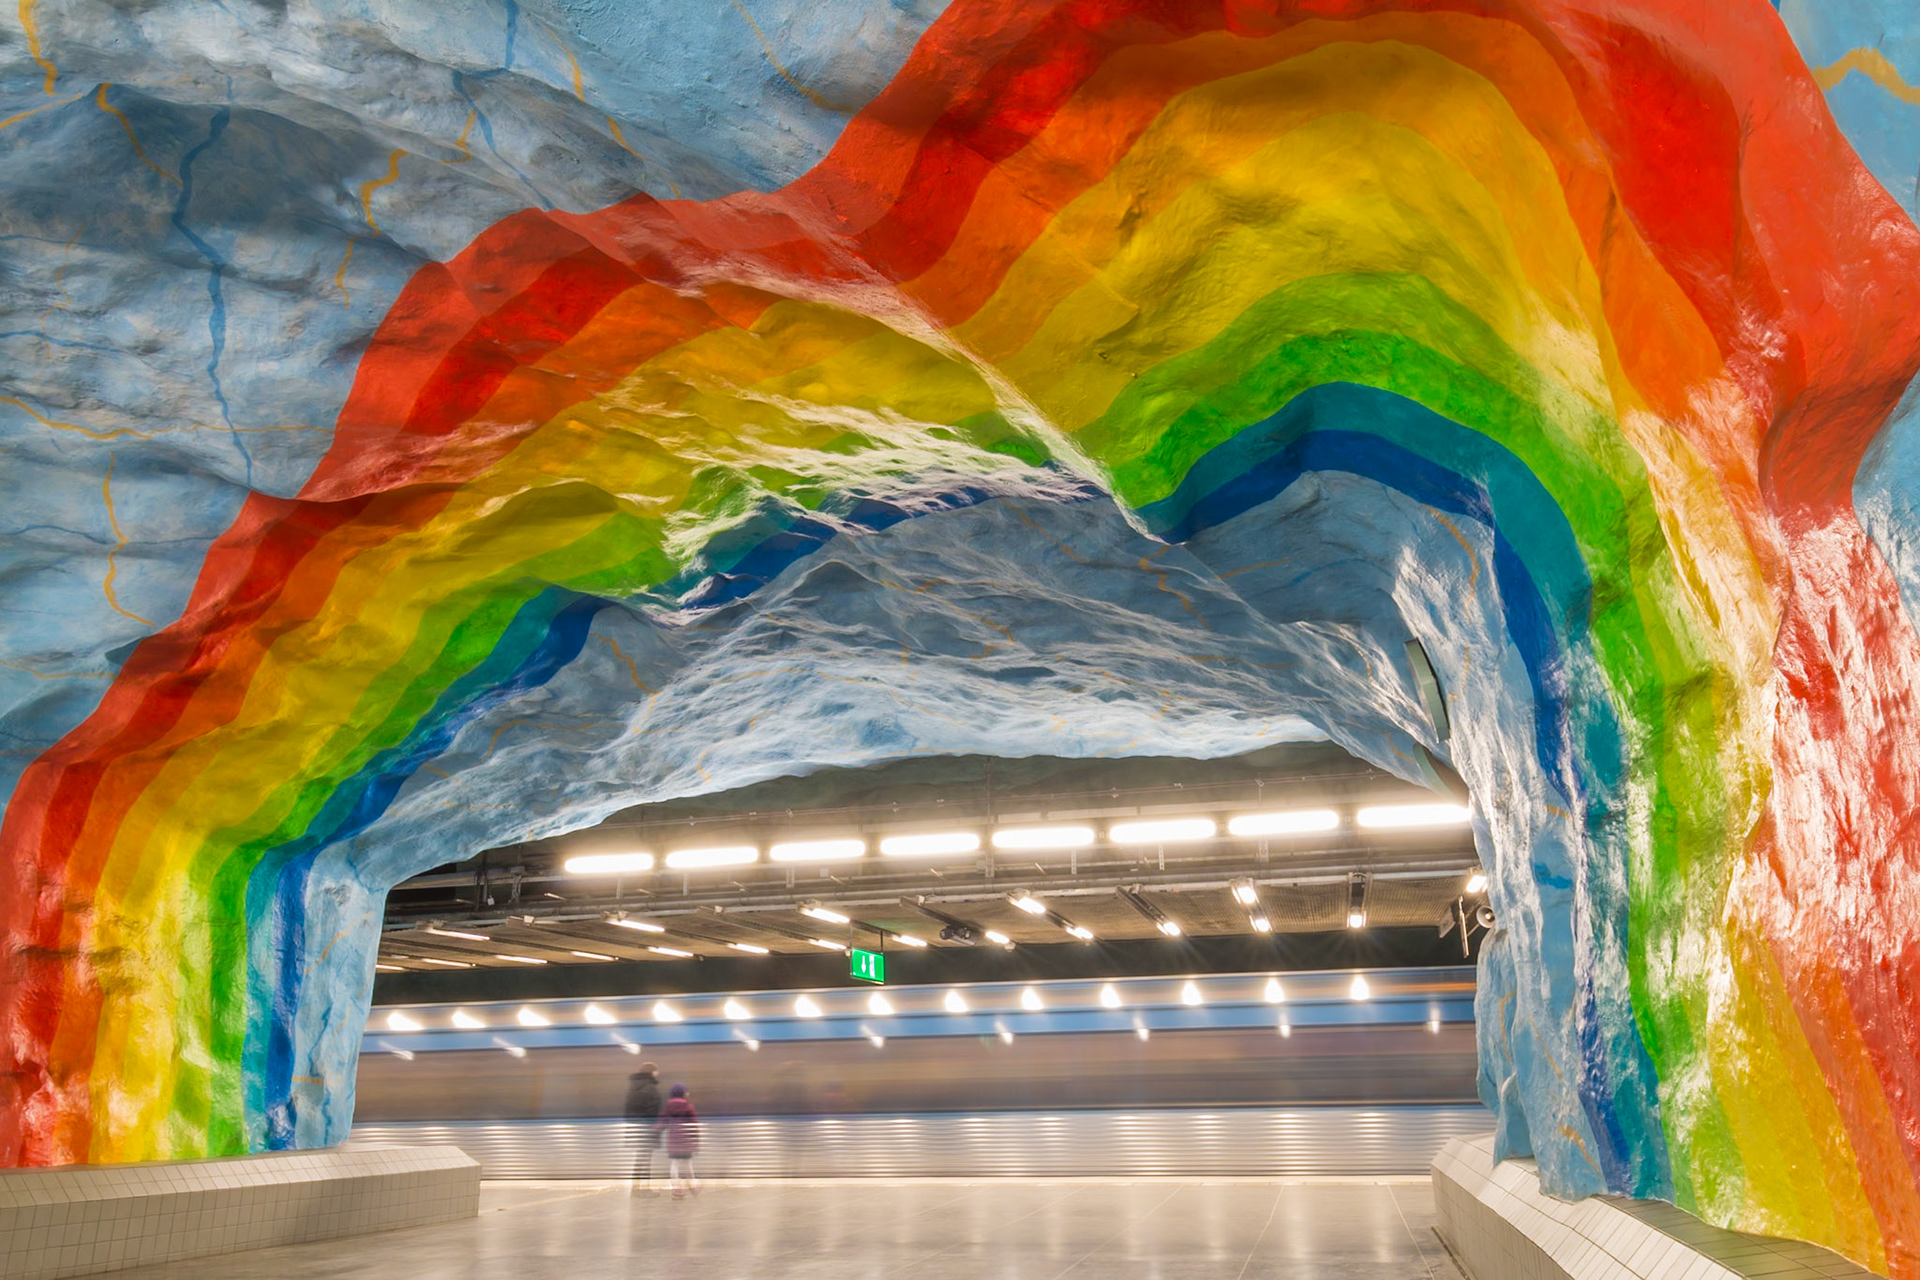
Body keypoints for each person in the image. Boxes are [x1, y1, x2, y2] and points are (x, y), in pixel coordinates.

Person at [656, 1082, 700, 1198]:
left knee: (675, 1163)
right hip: (686, 1140)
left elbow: (661, 1123)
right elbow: (695, 1125)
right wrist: (696, 1142)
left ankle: (676, 1188)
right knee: (688, 1164)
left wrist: (656, 1130)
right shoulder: (688, 1106)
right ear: (683, 1093)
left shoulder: (668, 1106)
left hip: (673, 1140)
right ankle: (692, 1184)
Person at [624, 1062, 663, 1191]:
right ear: (651, 1072)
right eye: (656, 1071)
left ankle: (636, 1187)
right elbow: (654, 1110)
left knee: (640, 1158)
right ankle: (645, 1189)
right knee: (646, 1159)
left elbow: (627, 1110)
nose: (658, 1074)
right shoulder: (650, 1088)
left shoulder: (632, 1088)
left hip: (636, 1128)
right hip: (648, 1128)